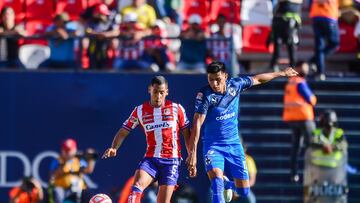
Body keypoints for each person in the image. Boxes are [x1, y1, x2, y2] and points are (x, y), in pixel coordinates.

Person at [186, 61, 298, 203]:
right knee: (216, 185)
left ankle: (227, 184)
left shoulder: (236, 85)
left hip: (234, 144)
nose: (214, 83)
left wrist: (282, 73)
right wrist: (193, 153)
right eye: (211, 79)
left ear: (225, 76)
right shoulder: (205, 95)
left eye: (218, 79)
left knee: (243, 191)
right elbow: (197, 123)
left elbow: (258, 79)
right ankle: (221, 184)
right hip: (213, 146)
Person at [102, 76, 192, 203]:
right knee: (136, 187)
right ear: (150, 89)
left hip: (171, 161)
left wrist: (191, 156)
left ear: (167, 91)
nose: (159, 96)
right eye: (155, 92)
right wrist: (114, 147)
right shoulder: (139, 110)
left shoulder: (176, 108)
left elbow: (187, 133)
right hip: (151, 159)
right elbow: (124, 131)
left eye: (162, 92)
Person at [282, 61, 317, 183]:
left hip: (292, 119)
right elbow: (311, 100)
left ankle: (294, 173)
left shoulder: (290, 82)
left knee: (296, 146)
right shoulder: (300, 82)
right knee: (311, 145)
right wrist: (314, 98)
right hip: (304, 118)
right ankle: (313, 171)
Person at [48, 138, 96, 203]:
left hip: (78, 190)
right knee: (57, 191)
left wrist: (91, 158)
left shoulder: (78, 160)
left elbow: (88, 170)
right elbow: (53, 175)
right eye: (66, 150)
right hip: (63, 190)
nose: (68, 152)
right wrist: (66, 162)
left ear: (74, 149)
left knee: (88, 194)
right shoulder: (58, 160)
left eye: (69, 150)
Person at [309, 0, 340, 80]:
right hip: (329, 15)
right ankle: (316, 64)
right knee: (334, 43)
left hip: (317, 16)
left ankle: (318, 69)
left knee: (319, 47)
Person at [269, 0, 302, 71]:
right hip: (279, 19)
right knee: (278, 43)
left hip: (291, 21)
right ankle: (273, 65)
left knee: (291, 44)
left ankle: (293, 67)